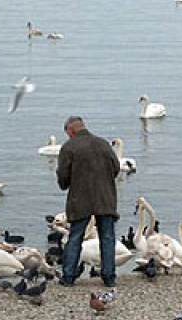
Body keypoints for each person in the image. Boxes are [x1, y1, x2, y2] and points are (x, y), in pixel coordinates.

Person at [56, 116, 120, 287]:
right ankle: (109, 277)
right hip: (105, 197)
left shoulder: (69, 147)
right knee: (107, 237)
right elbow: (116, 168)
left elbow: (63, 176)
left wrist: (66, 184)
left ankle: (68, 277)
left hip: (80, 199)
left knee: (75, 236)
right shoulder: (103, 144)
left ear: (71, 131)